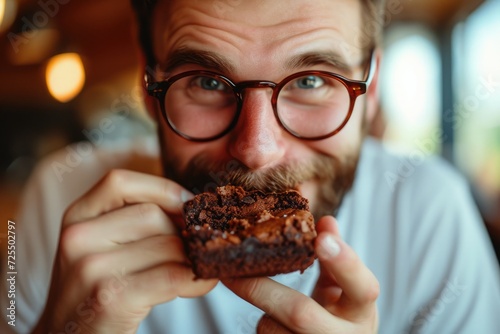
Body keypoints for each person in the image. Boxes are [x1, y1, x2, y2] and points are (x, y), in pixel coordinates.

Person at [2, 0, 500, 333]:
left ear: (371, 89)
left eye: (310, 81)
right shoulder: (62, 196)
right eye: (209, 82)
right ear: (147, 86)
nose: (256, 150)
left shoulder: (432, 213)